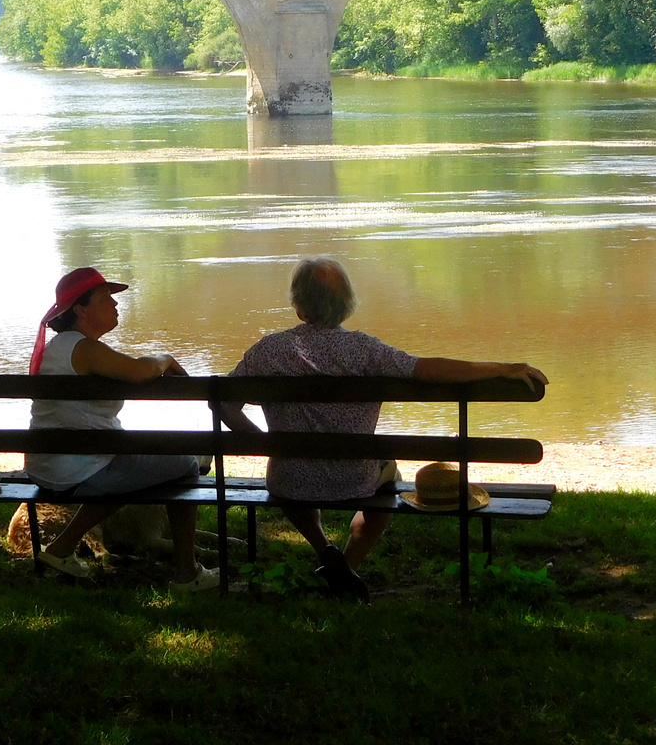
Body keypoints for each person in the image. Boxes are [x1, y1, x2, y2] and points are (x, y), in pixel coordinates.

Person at [219, 257, 547, 600]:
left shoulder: (269, 350)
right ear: (347, 306)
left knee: (290, 472)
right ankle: (347, 564)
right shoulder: (365, 350)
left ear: (299, 308)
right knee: (389, 473)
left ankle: (326, 553)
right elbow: (426, 369)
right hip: (354, 479)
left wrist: (267, 445)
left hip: (290, 479)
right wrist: (501, 368)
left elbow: (223, 402)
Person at [26, 266, 218, 594]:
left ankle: (60, 548)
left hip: (49, 465)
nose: (115, 305)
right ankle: (187, 573)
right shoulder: (82, 349)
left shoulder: (63, 349)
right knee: (185, 465)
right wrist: (166, 358)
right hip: (77, 469)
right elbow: (141, 371)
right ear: (80, 310)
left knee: (138, 466)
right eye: (105, 299)